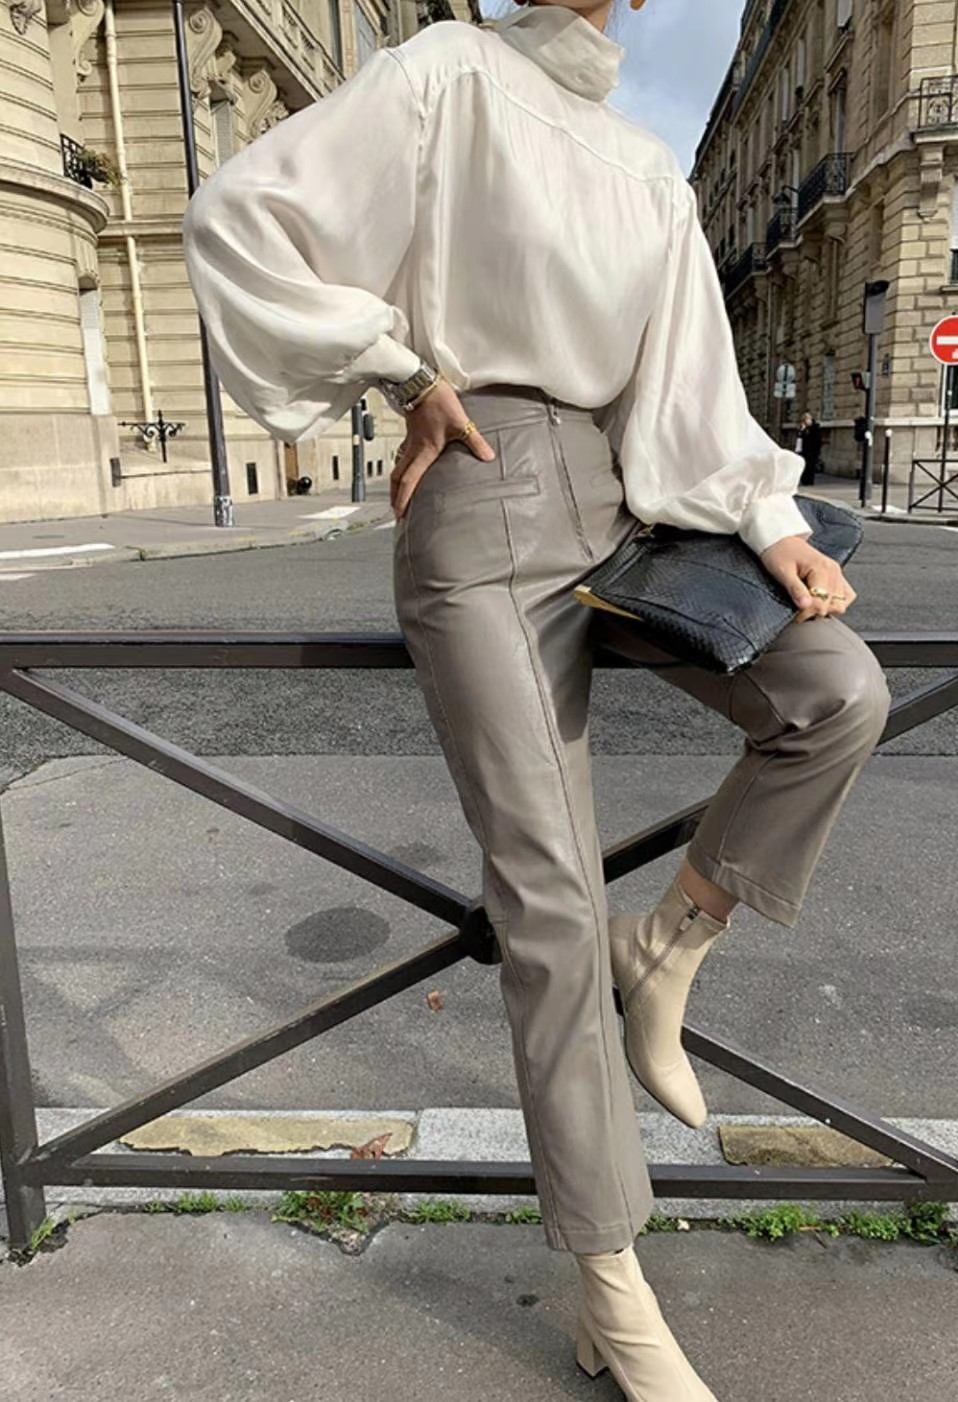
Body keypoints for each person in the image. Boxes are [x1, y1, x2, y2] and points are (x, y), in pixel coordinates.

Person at [181, 3, 891, 1396]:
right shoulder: (445, 72)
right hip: (481, 491)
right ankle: (610, 1288)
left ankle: (669, 944)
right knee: (550, 902)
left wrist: (771, 520)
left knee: (841, 695)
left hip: (633, 503)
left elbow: (689, 395)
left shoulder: (649, 167)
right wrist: (405, 369)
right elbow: (239, 218)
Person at [797, 410, 823, 485]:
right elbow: (800, 439)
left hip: (812, 451)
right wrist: (802, 431)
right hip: (804, 451)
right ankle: (804, 480)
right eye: (804, 421)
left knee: (810, 466)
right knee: (804, 466)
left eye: (807, 420)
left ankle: (809, 481)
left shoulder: (815, 428)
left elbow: (816, 440)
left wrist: (817, 451)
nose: (806, 422)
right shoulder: (803, 429)